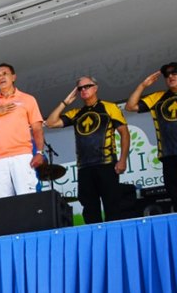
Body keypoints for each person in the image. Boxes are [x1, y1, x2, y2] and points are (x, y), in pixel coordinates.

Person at [46, 76, 129, 224]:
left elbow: (124, 133)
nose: (83, 90)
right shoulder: (76, 112)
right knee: (90, 211)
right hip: (84, 168)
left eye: (87, 86)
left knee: (113, 207)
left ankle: (115, 241)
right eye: (80, 88)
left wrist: (122, 160)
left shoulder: (109, 107)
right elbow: (50, 123)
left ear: (95, 88)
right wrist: (65, 102)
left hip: (107, 164)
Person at [0, 63, 45, 198]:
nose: (1, 77)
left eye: (5, 74)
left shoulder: (28, 99)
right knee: (2, 204)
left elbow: (37, 128)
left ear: (13, 77)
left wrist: (39, 152)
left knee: (27, 199)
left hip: (22, 155)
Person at [125, 62, 177, 212]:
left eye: (175, 73)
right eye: (167, 75)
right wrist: (143, 86)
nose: (171, 77)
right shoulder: (158, 97)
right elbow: (130, 107)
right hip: (169, 156)